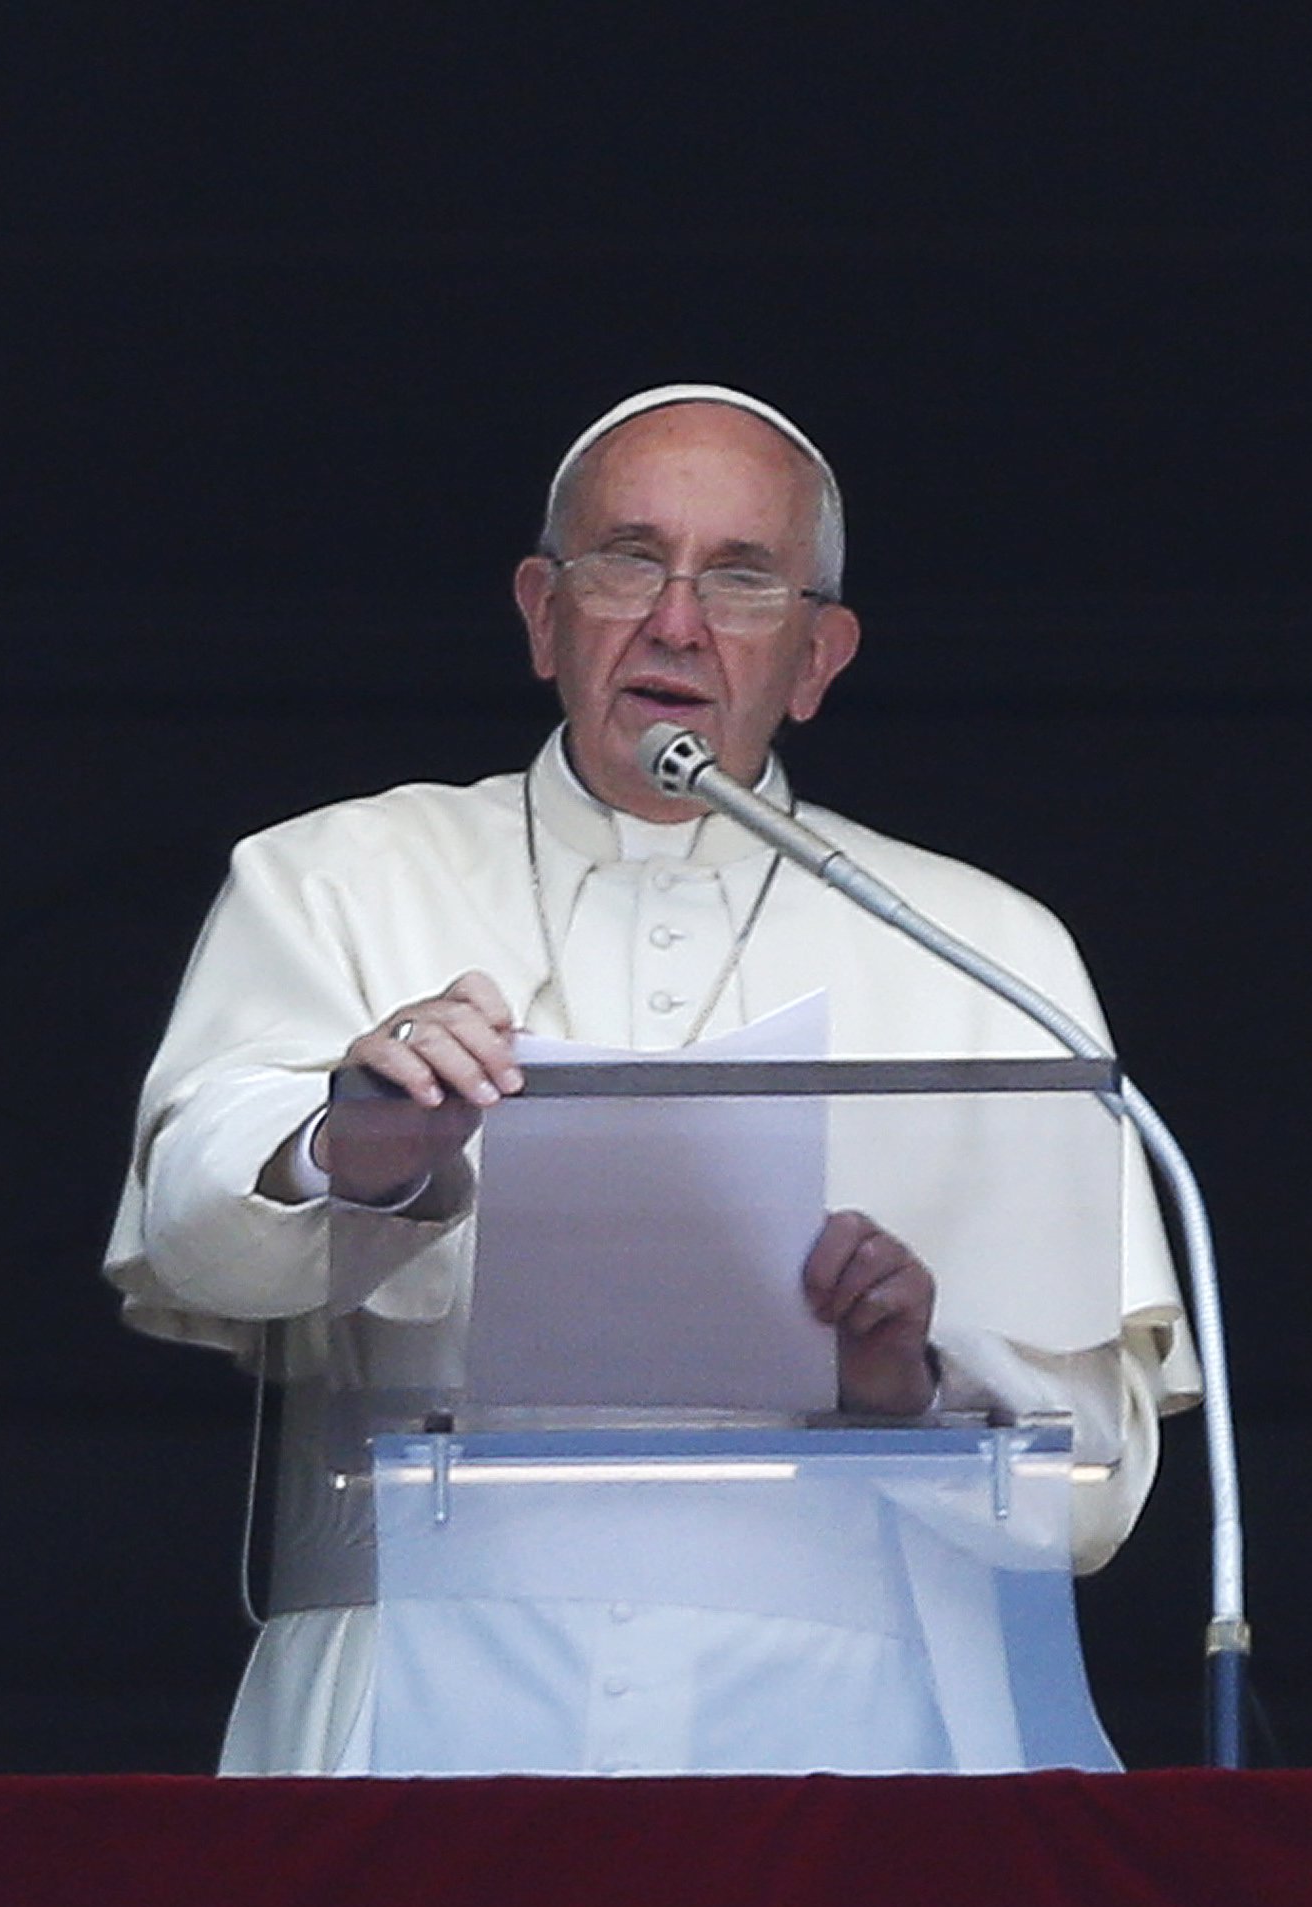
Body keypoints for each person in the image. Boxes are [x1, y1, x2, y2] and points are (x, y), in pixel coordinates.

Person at [107, 385, 1196, 1774]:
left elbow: (1095, 1494)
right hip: (419, 1716)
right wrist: (354, 1143)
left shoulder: (982, 947)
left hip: (855, 1739)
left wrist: (901, 1383)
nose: (675, 622)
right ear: (541, 610)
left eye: (741, 579)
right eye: (629, 559)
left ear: (818, 656)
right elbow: (192, 1246)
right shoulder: (333, 881)